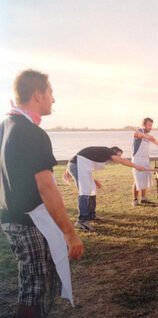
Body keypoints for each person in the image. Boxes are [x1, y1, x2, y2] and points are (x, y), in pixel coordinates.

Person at [0, 69, 84, 317]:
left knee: (33, 282)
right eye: (51, 93)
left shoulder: (5, 125)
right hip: (29, 222)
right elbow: (47, 188)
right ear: (37, 95)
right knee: (34, 288)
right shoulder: (31, 133)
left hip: (10, 218)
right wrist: (70, 235)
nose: (53, 99)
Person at [65, 146, 148, 231]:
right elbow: (122, 161)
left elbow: (86, 162)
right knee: (85, 193)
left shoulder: (101, 153)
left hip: (81, 166)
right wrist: (137, 166)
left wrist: (93, 180)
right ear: (113, 152)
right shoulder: (108, 151)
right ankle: (82, 221)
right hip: (77, 165)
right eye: (118, 155)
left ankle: (91, 216)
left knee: (92, 190)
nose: (118, 158)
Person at [132, 118, 156, 206]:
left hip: (145, 159)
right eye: (149, 125)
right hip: (138, 159)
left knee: (145, 178)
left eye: (151, 126)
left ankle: (143, 198)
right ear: (144, 125)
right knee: (137, 179)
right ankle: (134, 199)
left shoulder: (147, 135)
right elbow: (135, 135)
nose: (150, 127)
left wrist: (148, 160)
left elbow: (146, 150)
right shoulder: (140, 130)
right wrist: (148, 137)